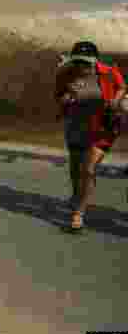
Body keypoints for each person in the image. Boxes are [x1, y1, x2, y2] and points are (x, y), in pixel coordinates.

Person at [55, 41, 126, 232]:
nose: (82, 66)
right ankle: (77, 196)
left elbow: (121, 87)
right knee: (75, 169)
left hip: (103, 128)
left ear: (94, 61)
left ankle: (79, 214)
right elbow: (58, 96)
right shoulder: (66, 73)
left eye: (85, 63)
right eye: (77, 62)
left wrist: (115, 101)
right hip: (76, 126)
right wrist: (67, 96)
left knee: (88, 169)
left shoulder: (109, 72)